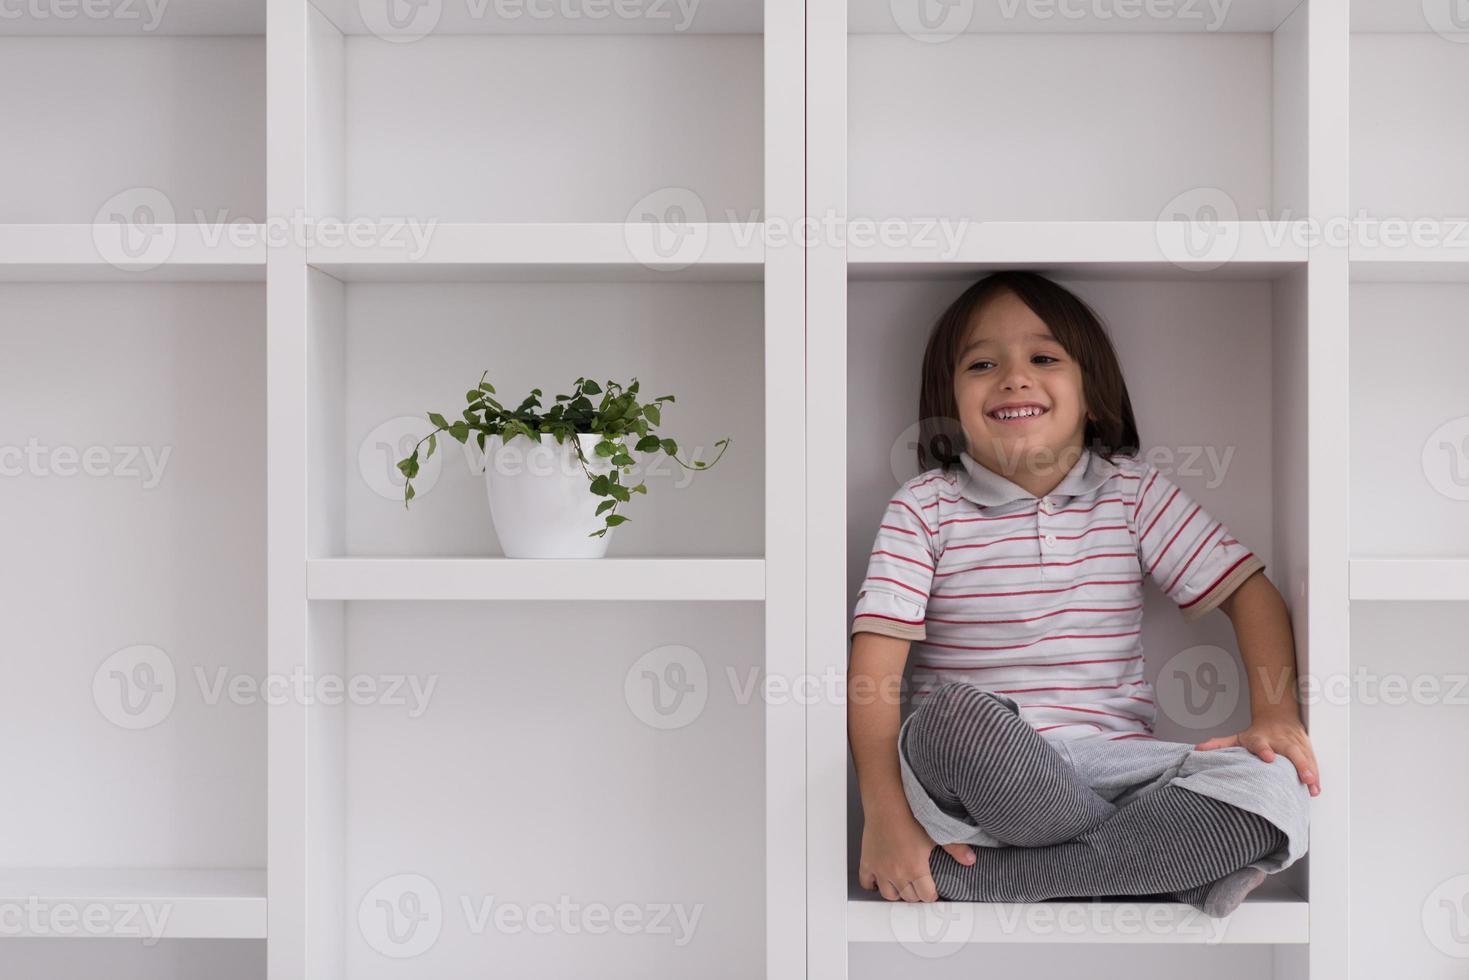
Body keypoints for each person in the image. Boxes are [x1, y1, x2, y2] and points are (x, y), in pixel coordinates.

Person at [848, 271, 1316, 917]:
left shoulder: (1131, 493)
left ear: (1092, 394)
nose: (1013, 376)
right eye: (982, 363)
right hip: (975, 775)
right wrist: (883, 814)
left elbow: (1250, 594)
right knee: (952, 716)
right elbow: (873, 668)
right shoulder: (925, 507)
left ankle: (1005, 879)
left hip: (1115, 770)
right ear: (946, 401)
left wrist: (1274, 716)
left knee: (1274, 785)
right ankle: (1163, 867)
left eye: (1043, 358)